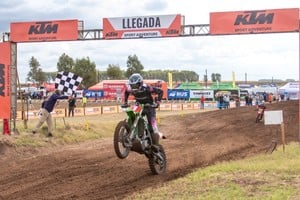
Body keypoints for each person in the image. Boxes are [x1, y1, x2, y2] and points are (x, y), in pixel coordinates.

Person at [123, 73, 164, 145]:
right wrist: (125, 102)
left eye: (135, 85)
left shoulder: (147, 88)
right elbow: (126, 92)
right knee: (132, 116)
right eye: (132, 85)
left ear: (140, 83)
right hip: (139, 105)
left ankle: (156, 144)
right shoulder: (131, 90)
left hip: (149, 106)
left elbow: (160, 91)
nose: (134, 87)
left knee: (153, 126)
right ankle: (133, 133)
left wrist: (157, 102)